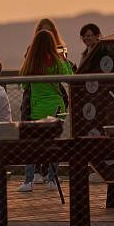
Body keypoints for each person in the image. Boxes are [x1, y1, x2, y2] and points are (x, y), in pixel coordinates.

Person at [18, 30, 74, 192]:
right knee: (53, 144)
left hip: (36, 107)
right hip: (57, 107)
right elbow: (69, 77)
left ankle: (28, 181)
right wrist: (65, 59)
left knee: (32, 145)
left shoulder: (31, 62)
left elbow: (23, 84)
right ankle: (52, 179)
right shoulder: (57, 61)